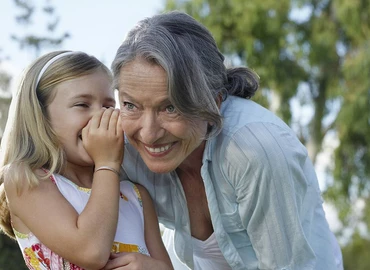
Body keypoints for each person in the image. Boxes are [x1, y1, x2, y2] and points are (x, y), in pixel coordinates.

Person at [108, 11, 343, 270]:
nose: (148, 134)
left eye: (171, 107)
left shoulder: (255, 151)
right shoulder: (122, 149)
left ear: (215, 101)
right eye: (131, 105)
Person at [0, 51, 172, 270]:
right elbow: (91, 251)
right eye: (82, 105)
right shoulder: (26, 179)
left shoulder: (136, 197)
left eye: (109, 106)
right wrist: (107, 164)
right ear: (41, 117)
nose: (100, 116)